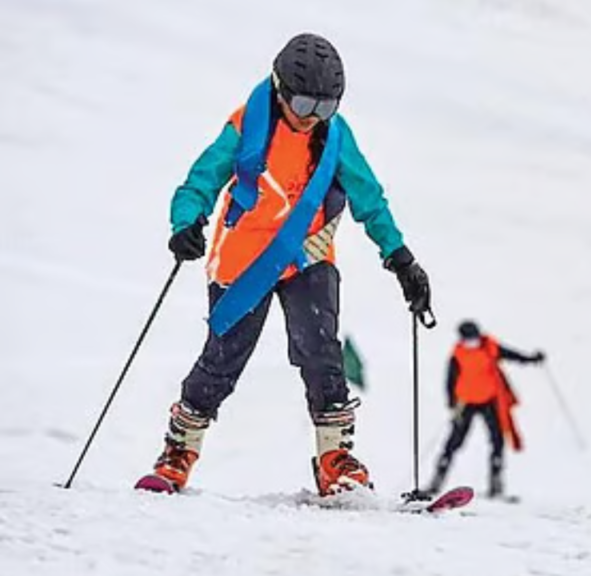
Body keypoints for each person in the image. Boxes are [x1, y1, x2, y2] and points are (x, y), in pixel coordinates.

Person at [139, 33, 431, 496]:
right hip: (244, 261)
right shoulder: (246, 126)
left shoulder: (334, 136)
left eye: (325, 106)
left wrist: (400, 258)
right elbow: (201, 180)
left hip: (308, 254)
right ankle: (178, 452)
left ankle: (335, 459)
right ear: (279, 88)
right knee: (223, 359)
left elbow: (369, 198)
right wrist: (186, 222)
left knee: (321, 351)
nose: (312, 116)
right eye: (303, 103)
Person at [427, 320, 544, 498]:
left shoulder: (490, 347)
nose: (472, 342)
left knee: (497, 441)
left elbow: (512, 355)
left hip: (489, 401)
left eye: (474, 338)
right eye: (468, 339)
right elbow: (450, 381)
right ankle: (436, 482)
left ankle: (496, 485)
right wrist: (452, 403)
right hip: (465, 403)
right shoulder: (457, 355)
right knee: (453, 442)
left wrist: (532, 359)